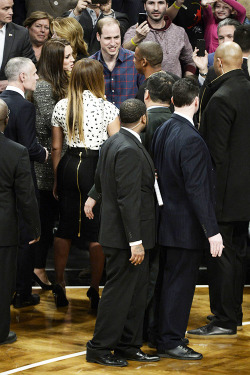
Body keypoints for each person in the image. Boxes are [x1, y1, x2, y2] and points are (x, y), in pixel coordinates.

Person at [151, 78, 224, 359]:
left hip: (165, 221)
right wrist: (212, 231)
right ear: (197, 102)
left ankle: (160, 334)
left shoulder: (163, 128)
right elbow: (197, 190)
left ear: (172, 101)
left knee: (166, 283)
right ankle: (171, 340)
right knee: (179, 286)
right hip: (184, 228)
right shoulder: (191, 138)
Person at [85, 99, 159, 367]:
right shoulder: (127, 148)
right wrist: (135, 242)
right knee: (118, 295)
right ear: (143, 119)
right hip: (126, 239)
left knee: (136, 294)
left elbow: (102, 177)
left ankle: (128, 345)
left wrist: (92, 197)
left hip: (121, 235)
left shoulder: (113, 141)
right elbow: (128, 199)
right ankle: (99, 348)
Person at [187, 42, 250, 338]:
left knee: (221, 256)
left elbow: (215, 154)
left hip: (224, 194)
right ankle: (233, 313)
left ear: (221, 64)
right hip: (245, 193)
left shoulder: (222, 96)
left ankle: (224, 319)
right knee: (237, 254)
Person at [51, 58, 120, 308]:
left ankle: (59, 284)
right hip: (95, 167)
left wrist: (57, 179)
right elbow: (115, 148)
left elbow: (57, 147)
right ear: (97, 79)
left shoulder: (61, 106)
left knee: (65, 227)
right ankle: (94, 290)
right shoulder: (108, 108)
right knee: (96, 231)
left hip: (69, 165)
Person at [0, 57, 48, 308]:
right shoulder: (25, 107)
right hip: (21, 181)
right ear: (21, 77)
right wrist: (46, 154)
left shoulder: (1, 103)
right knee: (28, 236)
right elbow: (29, 148)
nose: (37, 77)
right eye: (34, 73)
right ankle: (22, 293)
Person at [32, 39, 74, 290]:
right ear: (55, 60)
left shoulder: (63, 84)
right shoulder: (44, 88)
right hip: (47, 167)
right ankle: (38, 269)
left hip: (62, 162)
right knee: (44, 221)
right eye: (67, 57)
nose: (71, 60)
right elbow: (46, 125)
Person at [0, 99, 40, 346]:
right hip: (4, 231)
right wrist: (35, 227)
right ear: (7, 120)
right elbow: (27, 197)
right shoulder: (16, 151)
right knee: (3, 284)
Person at [123, 0, 196, 77]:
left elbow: (190, 61)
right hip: (146, 87)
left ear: (167, 6)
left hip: (174, 87)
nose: (156, 8)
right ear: (144, 6)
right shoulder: (136, 30)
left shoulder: (179, 31)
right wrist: (138, 38)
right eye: (151, 3)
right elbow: (123, 52)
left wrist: (187, 82)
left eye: (160, 3)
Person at [91, 17, 144, 108]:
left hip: (131, 120)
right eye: (108, 38)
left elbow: (144, 96)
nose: (113, 43)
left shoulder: (135, 61)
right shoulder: (90, 65)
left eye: (116, 37)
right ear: (98, 37)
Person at [0, 0, 35, 92]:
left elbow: (30, 65)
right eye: (6, 9)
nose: (11, 12)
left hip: (9, 96)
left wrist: (11, 82)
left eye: (12, 7)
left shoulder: (21, 33)